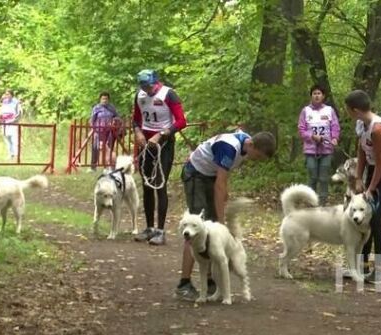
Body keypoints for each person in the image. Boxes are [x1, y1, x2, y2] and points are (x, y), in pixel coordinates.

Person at [175, 129, 277, 300]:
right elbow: (219, 185)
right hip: (195, 175)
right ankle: (184, 283)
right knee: (196, 228)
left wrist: (224, 195)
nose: (255, 160)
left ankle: (209, 281)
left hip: (210, 176)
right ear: (251, 144)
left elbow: (223, 178)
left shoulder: (245, 143)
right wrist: (222, 223)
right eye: (257, 156)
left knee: (210, 231)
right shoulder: (230, 147)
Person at [345, 89, 381, 283]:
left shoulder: (377, 130)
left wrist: (370, 189)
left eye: (349, 111)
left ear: (356, 110)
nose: (348, 115)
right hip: (372, 170)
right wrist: (359, 177)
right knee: (365, 218)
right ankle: (361, 266)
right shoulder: (361, 124)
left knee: (376, 218)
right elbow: (361, 151)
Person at [132, 69, 187, 245]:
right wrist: (137, 131)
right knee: (146, 183)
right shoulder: (139, 95)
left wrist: (162, 133)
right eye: (143, 86)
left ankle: (161, 231)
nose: (146, 89)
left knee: (159, 184)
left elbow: (181, 121)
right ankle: (149, 228)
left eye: (148, 86)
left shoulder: (168, 94)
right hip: (146, 144)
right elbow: (136, 118)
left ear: (156, 83)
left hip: (164, 143)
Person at [298, 84, 340, 205]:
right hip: (310, 150)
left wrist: (335, 138)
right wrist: (311, 136)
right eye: (314, 93)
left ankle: (323, 202)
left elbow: (335, 127)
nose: (316, 96)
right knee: (312, 176)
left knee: (323, 177)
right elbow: (301, 130)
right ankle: (310, 201)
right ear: (311, 96)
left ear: (323, 96)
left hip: (326, 149)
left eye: (319, 93)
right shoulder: (305, 111)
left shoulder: (329, 110)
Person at [89, 92, 120, 171]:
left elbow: (117, 117)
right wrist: (93, 129)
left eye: (106, 99)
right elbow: (92, 120)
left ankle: (107, 166)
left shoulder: (111, 108)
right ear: (100, 99)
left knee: (109, 148)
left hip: (109, 131)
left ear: (108, 99)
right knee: (95, 148)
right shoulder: (96, 108)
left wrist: (114, 121)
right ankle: (93, 166)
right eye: (103, 99)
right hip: (98, 131)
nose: (104, 100)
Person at [0, 89, 22, 159]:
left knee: (14, 139)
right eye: (6, 94)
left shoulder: (16, 102)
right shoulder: (4, 102)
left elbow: (19, 113)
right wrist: (1, 118)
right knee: (7, 139)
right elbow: (1, 111)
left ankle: (16, 155)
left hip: (13, 123)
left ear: (12, 95)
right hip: (5, 123)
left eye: (8, 94)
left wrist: (13, 120)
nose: (6, 96)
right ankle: (10, 154)